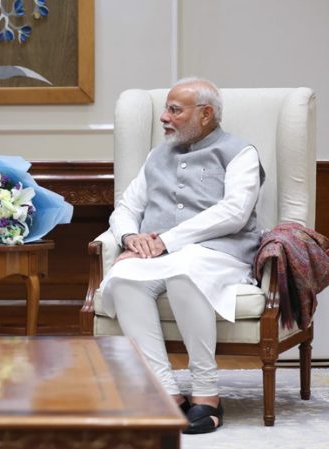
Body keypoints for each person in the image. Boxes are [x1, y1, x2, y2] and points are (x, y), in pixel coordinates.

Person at [99, 77, 264, 434]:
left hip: (219, 252)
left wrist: (167, 241)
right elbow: (127, 206)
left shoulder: (240, 153)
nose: (164, 117)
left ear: (205, 114)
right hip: (158, 254)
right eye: (166, 109)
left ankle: (206, 395)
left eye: (175, 110)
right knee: (124, 277)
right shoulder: (156, 156)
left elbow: (235, 212)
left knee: (185, 272)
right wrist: (131, 237)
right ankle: (165, 393)